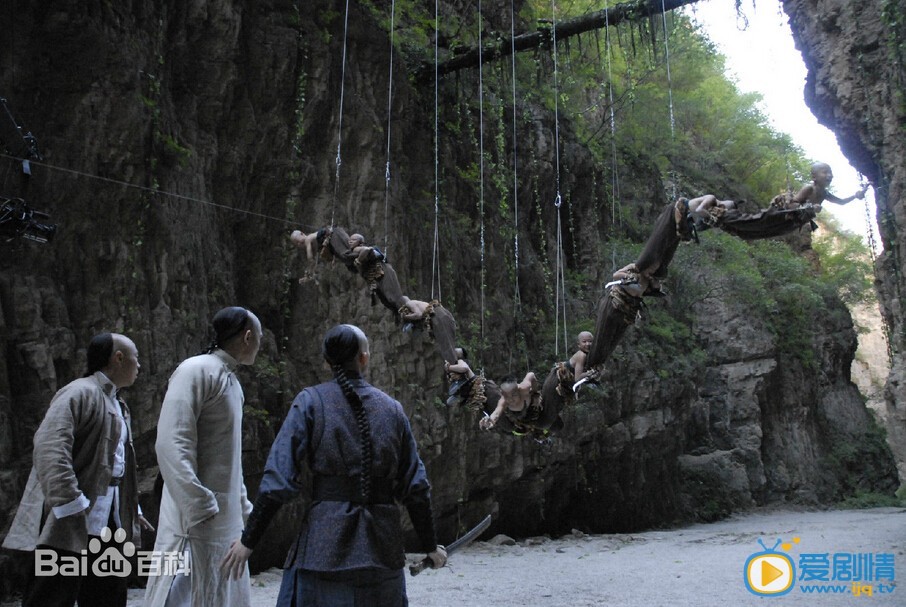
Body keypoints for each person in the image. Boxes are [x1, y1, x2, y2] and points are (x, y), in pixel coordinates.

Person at [220, 324, 446, 606]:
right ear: (364, 358)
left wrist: (248, 541)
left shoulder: (310, 402)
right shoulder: (392, 409)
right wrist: (430, 546)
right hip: (382, 552)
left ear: (327, 362)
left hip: (322, 550)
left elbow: (278, 478)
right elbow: (416, 487)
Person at [2, 333, 152, 607]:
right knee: (52, 596)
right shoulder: (79, 392)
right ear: (118, 358)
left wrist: (133, 508)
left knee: (107, 595)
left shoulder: (118, 403)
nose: (139, 366)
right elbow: (50, 447)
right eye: (136, 358)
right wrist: (71, 502)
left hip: (109, 519)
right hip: (70, 517)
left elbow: (119, 465)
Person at [144, 307, 263, 607]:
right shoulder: (194, 370)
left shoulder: (232, 382)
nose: (259, 344)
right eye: (258, 338)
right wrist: (199, 503)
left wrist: (243, 510)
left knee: (221, 593)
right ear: (248, 337)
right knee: (182, 594)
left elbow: (231, 461)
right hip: (193, 519)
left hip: (225, 521)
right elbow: (172, 443)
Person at [788, 162, 868, 207]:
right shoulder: (809, 189)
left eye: (830, 173)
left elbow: (841, 202)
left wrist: (855, 196)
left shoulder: (824, 193)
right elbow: (791, 204)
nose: (829, 175)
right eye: (825, 172)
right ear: (814, 177)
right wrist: (811, 208)